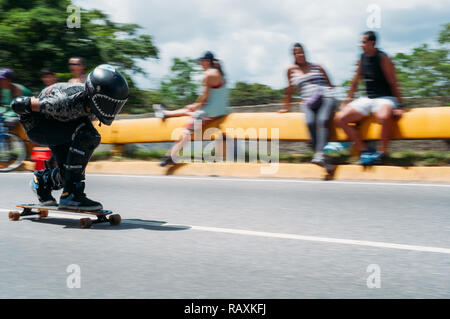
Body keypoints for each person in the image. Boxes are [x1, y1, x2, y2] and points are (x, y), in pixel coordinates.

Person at [10, 64, 129, 210]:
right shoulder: (65, 102)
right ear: (95, 95)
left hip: (59, 122)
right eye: (109, 103)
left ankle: (41, 182)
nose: (112, 110)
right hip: (38, 126)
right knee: (89, 135)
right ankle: (72, 195)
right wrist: (24, 102)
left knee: (67, 171)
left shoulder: (91, 103)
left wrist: (59, 161)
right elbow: (20, 105)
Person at [335, 31, 404, 165]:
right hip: (368, 98)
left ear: (372, 43)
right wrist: (346, 102)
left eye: (363, 42)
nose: (361, 45)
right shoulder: (362, 57)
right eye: (361, 42)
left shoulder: (383, 58)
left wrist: (400, 105)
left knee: (384, 117)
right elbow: (355, 81)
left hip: (385, 97)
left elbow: (393, 82)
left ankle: (382, 153)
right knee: (340, 118)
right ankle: (365, 150)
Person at [154, 51, 231, 167]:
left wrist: (195, 105)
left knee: (187, 131)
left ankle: (171, 156)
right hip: (221, 110)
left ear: (207, 61)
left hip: (209, 112)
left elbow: (204, 98)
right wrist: (194, 106)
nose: (200, 64)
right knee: (188, 110)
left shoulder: (208, 75)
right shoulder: (219, 73)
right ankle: (165, 113)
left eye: (202, 61)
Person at [279, 43, 337, 169]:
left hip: (325, 96)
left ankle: (319, 155)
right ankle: (324, 159)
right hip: (308, 101)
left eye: (301, 52)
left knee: (322, 120)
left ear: (305, 53)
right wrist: (286, 107)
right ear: (293, 55)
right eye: (297, 52)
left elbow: (329, 84)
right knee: (310, 123)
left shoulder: (317, 66)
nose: (300, 54)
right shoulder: (291, 70)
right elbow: (290, 90)